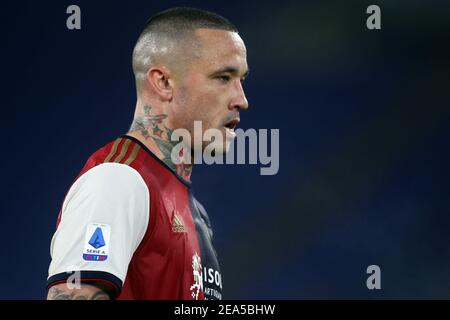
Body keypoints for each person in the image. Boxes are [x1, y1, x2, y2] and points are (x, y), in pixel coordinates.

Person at [46, 7, 249, 300]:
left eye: (241, 79)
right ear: (163, 82)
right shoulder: (118, 179)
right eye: (223, 77)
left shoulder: (192, 209)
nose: (241, 100)